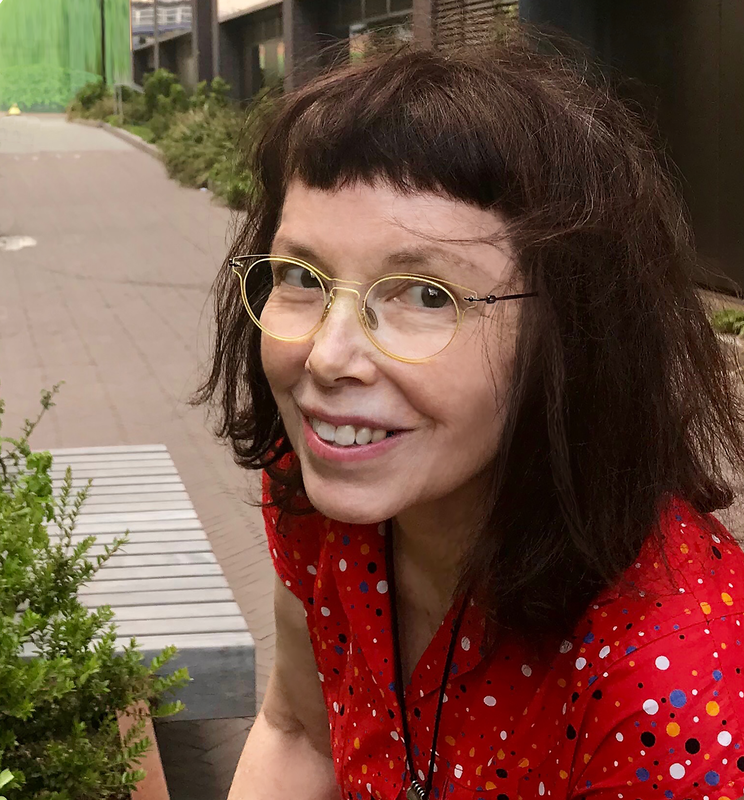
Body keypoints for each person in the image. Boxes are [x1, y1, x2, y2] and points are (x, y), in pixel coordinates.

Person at [195, 27, 744, 800]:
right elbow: (297, 731)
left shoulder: (674, 693)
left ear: (571, 332)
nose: (326, 356)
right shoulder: (324, 490)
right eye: (303, 277)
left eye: (426, 294)